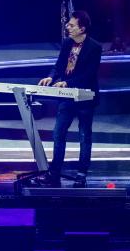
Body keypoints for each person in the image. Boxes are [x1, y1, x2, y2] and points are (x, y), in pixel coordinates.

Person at [37, 11, 102, 187]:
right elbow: (59, 65)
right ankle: (54, 172)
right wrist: (52, 76)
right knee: (58, 133)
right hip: (67, 98)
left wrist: (67, 83)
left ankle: (82, 173)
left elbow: (89, 75)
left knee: (84, 135)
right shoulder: (67, 43)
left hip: (85, 98)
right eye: (68, 24)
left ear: (82, 28)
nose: (68, 27)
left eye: (72, 25)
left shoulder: (95, 47)